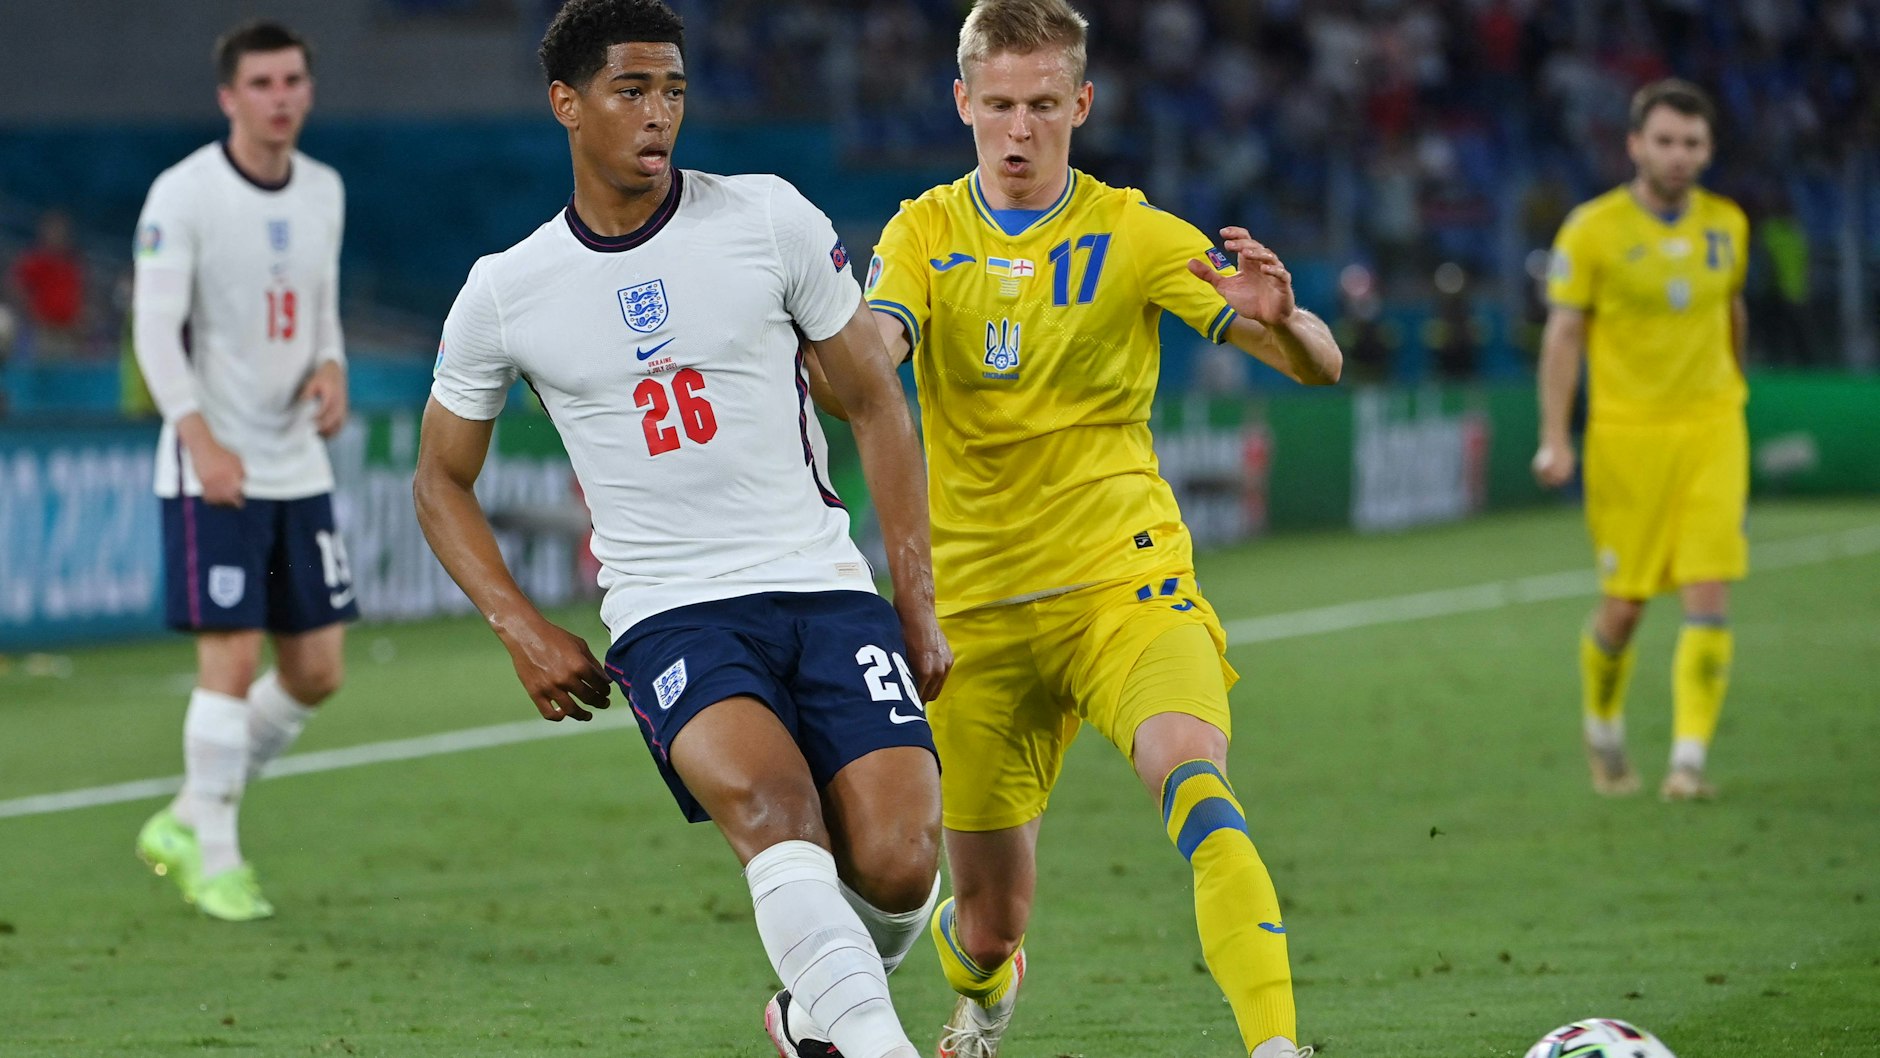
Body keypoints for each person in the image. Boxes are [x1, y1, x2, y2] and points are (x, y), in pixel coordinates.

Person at [410, 4, 949, 1058]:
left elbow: (877, 402)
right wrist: (520, 625)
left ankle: (811, 1014)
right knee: (774, 813)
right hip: (671, 612)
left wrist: (914, 599)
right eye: (631, 92)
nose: (659, 116)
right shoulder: (506, 290)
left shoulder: (767, 219)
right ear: (566, 103)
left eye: (674, 92)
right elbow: (439, 480)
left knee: (897, 862)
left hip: (823, 585)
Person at [820, 2, 1341, 1055]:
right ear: (962, 102)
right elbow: (877, 344)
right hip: (971, 618)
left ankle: (1276, 1044)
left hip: (1122, 582)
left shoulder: (1137, 232)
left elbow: (1319, 364)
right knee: (982, 924)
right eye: (1000, 106)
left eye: (1044, 106)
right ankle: (984, 987)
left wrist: (1284, 320)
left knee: (1192, 776)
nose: (1019, 131)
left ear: (1081, 104)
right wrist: (831, 345)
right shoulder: (922, 232)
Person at [130, 20, 354, 923]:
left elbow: (322, 307)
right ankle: (216, 854)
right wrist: (197, 438)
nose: (280, 97)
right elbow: (154, 328)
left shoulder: (326, 190)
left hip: (296, 461)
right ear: (229, 96)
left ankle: (185, 814)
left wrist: (332, 365)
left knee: (317, 670)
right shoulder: (182, 194)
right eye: (260, 83)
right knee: (227, 660)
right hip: (213, 469)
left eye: (292, 79)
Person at [1533, 79, 1749, 802]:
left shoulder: (1729, 225)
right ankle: (1602, 725)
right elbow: (1564, 336)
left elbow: (1732, 314)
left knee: (1708, 588)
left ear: (1709, 148)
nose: (1679, 155)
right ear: (1635, 146)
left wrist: (1734, 389)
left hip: (1714, 426)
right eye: (1665, 140)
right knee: (1625, 606)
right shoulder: (1591, 231)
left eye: (1692, 143)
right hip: (1627, 438)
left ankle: (1687, 763)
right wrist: (1554, 437)